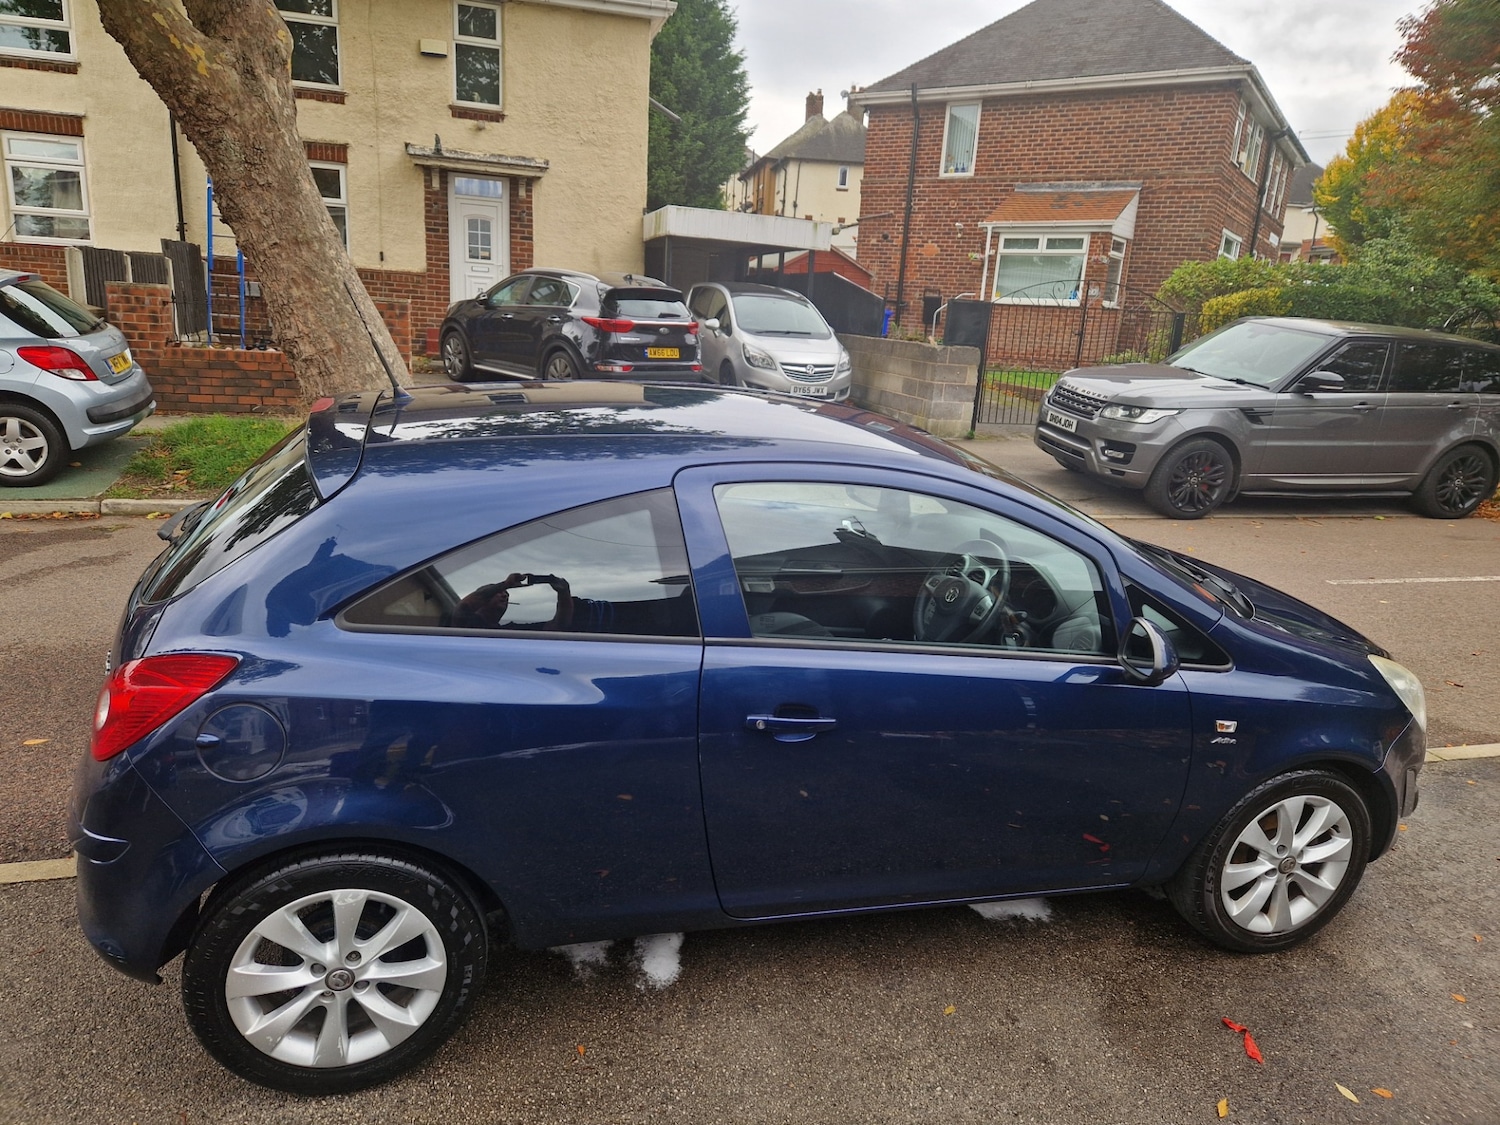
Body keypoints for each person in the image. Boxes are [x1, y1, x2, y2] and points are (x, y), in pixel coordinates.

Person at [453, 572, 573, 631]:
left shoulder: (510, 631)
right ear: (482, 601)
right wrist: (505, 584)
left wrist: (564, 594)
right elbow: (463, 607)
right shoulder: (469, 623)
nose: (505, 595)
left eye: (507, 593)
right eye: (499, 592)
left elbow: (558, 625)